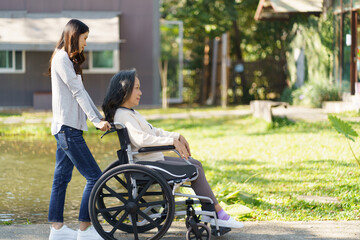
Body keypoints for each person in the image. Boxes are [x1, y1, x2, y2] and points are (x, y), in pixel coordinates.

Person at [102, 69, 244, 229]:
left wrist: (177, 136)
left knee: (195, 164)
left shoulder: (130, 113)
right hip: (146, 164)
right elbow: (141, 140)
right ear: (124, 89)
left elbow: (154, 131)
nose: (140, 92)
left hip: (152, 160)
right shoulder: (123, 115)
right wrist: (172, 142)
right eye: (137, 88)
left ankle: (213, 211)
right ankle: (217, 213)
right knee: (193, 169)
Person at [48, 19, 111, 240]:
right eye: (84, 38)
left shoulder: (63, 58)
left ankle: (57, 230)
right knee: (95, 177)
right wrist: (95, 120)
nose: (85, 43)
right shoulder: (62, 58)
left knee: (61, 178)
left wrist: (99, 116)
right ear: (74, 36)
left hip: (64, 128)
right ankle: (85, 230)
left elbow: (81, 92)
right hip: (68, 129)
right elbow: (77, 92)